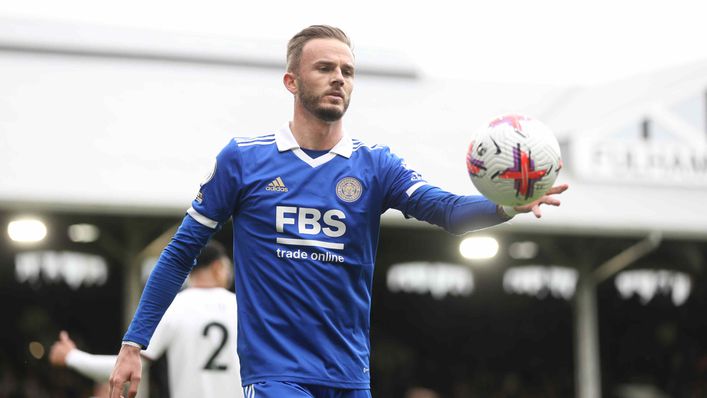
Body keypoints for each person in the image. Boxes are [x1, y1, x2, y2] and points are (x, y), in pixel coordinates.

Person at [109, 25, 569, 398]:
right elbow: (180, 252)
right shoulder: (244, 160)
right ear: (291, 81)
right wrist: (135, 342)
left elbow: (445, 210)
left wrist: (505, 206)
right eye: (325, 68)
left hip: (349, 374)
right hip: (276, 375)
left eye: (348, 71)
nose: (339, 78)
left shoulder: (375, 165)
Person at [50, 241, 241, 398]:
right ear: (218, 267)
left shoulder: (175, 307)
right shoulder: (242, 308)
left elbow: (125, 367)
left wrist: (72, 357)